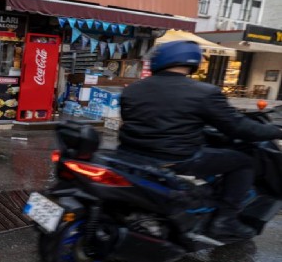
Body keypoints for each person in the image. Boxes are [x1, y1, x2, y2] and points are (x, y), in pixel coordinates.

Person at [119, 40, 282, 239]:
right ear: (192, 60)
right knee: (244, 162)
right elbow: (239, 127)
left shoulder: (133, 89)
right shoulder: (204, 92)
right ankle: (226, 219)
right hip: (177, 158)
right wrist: (275, 131)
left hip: (130, 154)